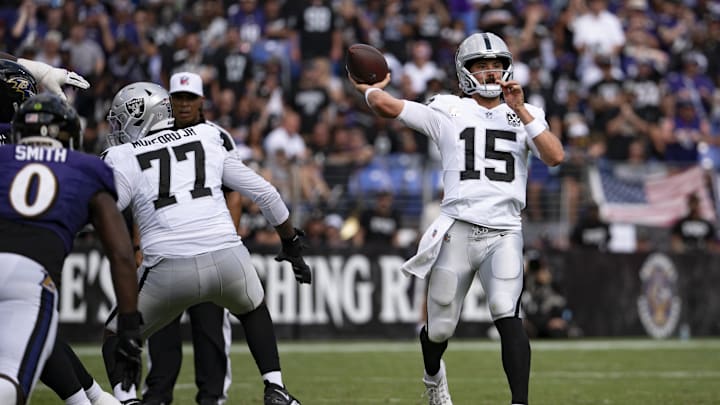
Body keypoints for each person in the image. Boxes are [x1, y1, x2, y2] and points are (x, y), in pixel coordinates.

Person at [349, 32, 564, 405]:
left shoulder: (529, 112)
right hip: (459, 228)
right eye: (482, 66)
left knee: (507, 313)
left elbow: (555, 155)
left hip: (505, 231)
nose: (491, 73)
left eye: (496, 65)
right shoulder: (448, 109)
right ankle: (433, 380)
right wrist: (371, 89)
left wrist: (523, 110)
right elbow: (390, 107)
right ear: (465, 72)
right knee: (440, 328)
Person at [100, 82, 310, 405]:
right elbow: (267, 194)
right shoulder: (208, 136)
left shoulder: (122, 155)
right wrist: (291, 243)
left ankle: (127, 401)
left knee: (115, 335)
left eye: (120, 120)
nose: (116, 128)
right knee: (253, 307)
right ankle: (275, 387)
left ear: (140, 115)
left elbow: (107, 211)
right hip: (227, 258)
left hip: (168, 266)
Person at [0, 94, 141, 405]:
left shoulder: (4, 157)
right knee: (10, 383)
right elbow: (120, 253)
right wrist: (129, 328)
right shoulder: (86, 167)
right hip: (29, 277)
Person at [141, 72, 234, 405]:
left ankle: (212, 398)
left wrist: (227, 241)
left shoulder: (217, 137)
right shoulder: (151, 135)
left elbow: (233, 193)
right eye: (177, 99)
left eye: (189, 98)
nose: (183, 104)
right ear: (169, 102)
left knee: (209, 331)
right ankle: (158, 395)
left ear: (201, 101)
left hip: (209, 246)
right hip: (165, 249)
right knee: (160, 332)